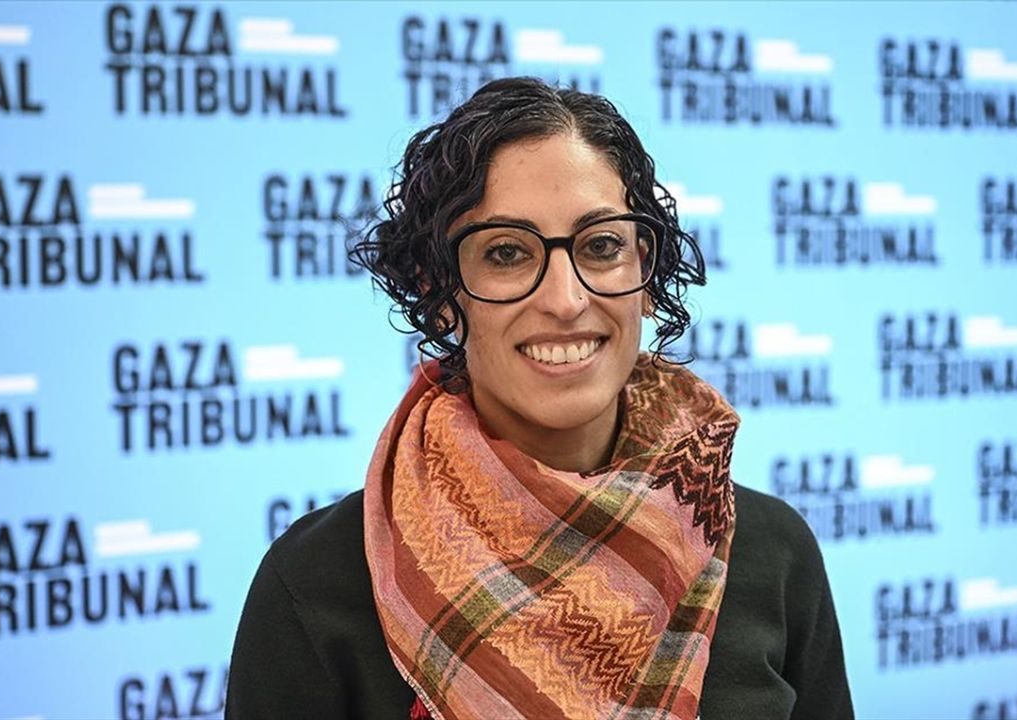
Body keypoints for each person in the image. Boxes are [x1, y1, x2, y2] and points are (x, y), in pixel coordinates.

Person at [227, 76, 853, 720]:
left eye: (601, 246)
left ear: (644, 273)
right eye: (507, 253)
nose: (565, 299)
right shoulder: (317, 583)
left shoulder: (772, 553)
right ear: (440, 294)